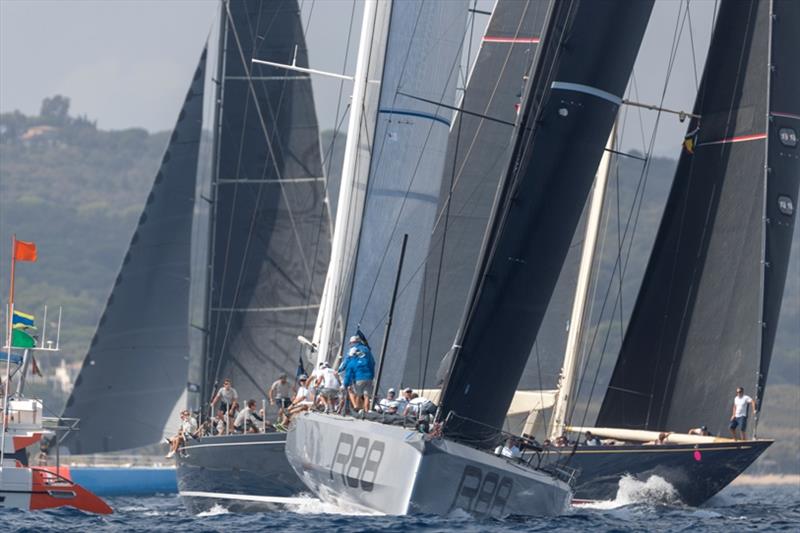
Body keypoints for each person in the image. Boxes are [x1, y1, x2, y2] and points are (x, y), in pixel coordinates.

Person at [349, 337, 376, 411]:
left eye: (351, 343)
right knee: (367, 396)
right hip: (369, 377)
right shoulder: (367, 351)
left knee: (358, 394)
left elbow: (349, 361)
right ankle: (366, 411)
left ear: (353, 343)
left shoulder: (354, 349)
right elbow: (373, 363)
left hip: (360, 377)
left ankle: (357, 409)